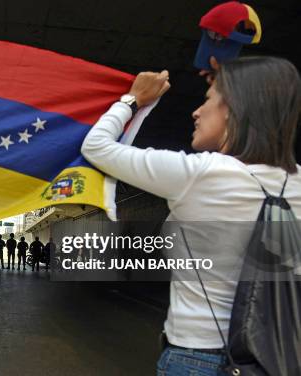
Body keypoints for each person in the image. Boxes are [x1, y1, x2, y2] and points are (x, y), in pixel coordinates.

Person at [81, 57, 301, 374]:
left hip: (197, 358)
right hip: (276, 360)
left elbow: (97, 147)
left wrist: (133, 100)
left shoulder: (199, 173)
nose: (196, 111)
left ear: (234, 109)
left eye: (208, 100)